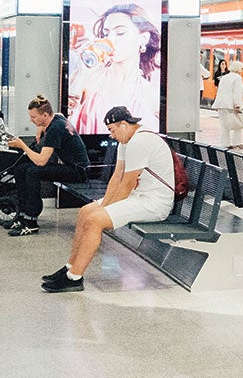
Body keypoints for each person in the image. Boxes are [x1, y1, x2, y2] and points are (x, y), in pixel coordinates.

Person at [43, 106, 176, 292]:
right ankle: (69, 268)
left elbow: (127, 183)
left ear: (123, 125)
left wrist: (104, 210)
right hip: (138, 197)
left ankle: (74, 278)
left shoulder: (140, 141)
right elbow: (117, 176)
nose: (111, 135)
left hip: (154, 203)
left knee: (95, 220)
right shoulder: (126, 142)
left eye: (112, 130)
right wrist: (104, 205)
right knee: (85, 212)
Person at [2, 95, 90, 237]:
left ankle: (31, 222)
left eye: (34, 117)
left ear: (44, 115)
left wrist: (22, 145)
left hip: (78, 171)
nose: (31, 120)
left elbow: (41, 161)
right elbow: (58, 113)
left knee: (33, 171)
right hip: (73, 166)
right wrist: (42, 126)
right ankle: (22, 216)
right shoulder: (57, 119)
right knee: (20, 169)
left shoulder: (55, 128)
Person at [68, 3, 161, 135]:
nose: (110, 39)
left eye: (120, 33)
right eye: (106, 33)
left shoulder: (150, 94)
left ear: (143, 39)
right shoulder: (89, 77)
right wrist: (83, 72)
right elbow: (62, 118)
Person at [214, 58, 243, 148]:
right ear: (238, 68)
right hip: (231, 105)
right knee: (238, 124)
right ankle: (237, 142)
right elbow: (237, 93)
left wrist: (217, 103)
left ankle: (226, 144)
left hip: (221, 104)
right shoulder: (237, 78)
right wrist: (238, 105)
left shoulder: (224, 77)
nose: (242, 70)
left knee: (224, 126)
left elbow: (220, 91)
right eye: (242, 68)